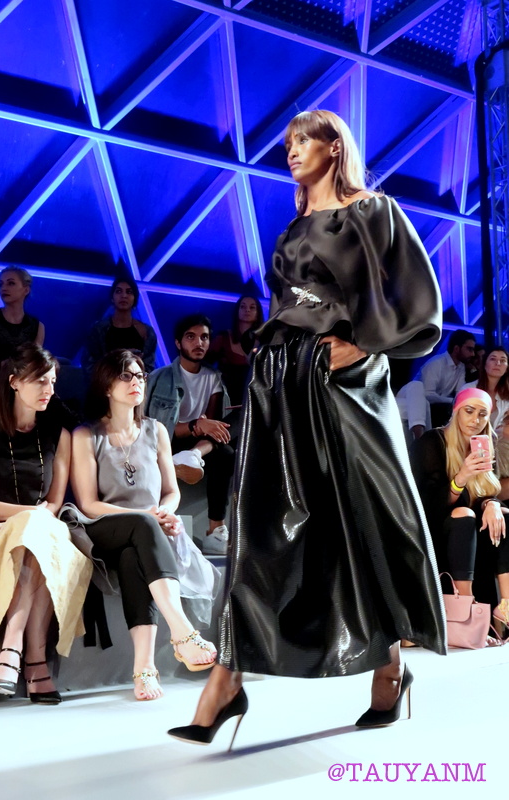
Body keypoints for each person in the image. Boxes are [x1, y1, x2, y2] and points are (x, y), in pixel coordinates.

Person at [167, 109, 446, 748]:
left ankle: (389, 668)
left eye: (303, 140)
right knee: (263, 527)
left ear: (334, 146)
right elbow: (287, 307)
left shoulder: (374, 212)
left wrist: (366, 348)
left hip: (347, 383)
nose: (291, 150)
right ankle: (226, 680)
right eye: (288, 142)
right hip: (281, 383)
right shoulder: (291, 229)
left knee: (365, 519)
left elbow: (418, 302)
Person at [69, 349, 217, 701]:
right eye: (126, 375)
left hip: (147, 532)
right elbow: (88, 503)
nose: (136, 382)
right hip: (101, 527)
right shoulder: (86, 435)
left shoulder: (156, 430)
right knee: (140, 526)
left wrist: (164, 513)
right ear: (107, 386)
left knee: (133, 557)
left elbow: (171, 492)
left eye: (140, 375)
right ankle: (182, 632)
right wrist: (148, 517)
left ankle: (144, 669)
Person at [0, 344, 92, 703]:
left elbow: (53, 504)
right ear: (14, 382)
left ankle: (12, 650)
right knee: (34, 532)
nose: (49, 389)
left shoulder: (59, 434)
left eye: (53, 381)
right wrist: (25, 516)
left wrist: (30, 520)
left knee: (37, 537)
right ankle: (35, 661)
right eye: (40, 381)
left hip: (41, 532)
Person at [410, 388, 509, 636]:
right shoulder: (433, 441)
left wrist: (492, 504)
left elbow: (485, 493)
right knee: (464, 515)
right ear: (456, 412)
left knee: (504, 516)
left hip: (472, 530)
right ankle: (467, 609)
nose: (475, 420)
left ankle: (506, 606)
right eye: (469, 411)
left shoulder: (484, 445)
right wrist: (461, 477)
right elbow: (427, 503)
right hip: (435, 529)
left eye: (482, 414)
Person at [145, 314, 235, 556]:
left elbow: (215, 427)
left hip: (200, 445)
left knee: (227, 450)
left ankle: (215, 531)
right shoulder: (160, 377)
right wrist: (196, 425)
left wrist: (202, 431)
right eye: (191, 337)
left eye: (204, 337)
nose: (199, 343)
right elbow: (155, 426)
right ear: (178, 343)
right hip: (167, 442)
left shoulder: (213, 377)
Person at [0, 266, 44, 409]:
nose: (4, 288)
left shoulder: (37, 326)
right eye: (1, 284)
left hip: (20, 385)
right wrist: (3, 365)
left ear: (26, 290)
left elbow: (34, 363)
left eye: (11, 283)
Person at [82, 276, 157, 379]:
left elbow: (149, 370)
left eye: (129, 292)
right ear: (112, 297)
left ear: (135, 298)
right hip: (105, 384)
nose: (124, 296)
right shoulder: (98, 330)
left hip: (135, 383)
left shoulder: (147, 332)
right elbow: (89, 366)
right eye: (118, 291)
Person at [207, 295, 264, 406]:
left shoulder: (265, 341)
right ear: (237, 310)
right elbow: (205, 366)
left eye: (252, 307)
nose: (247, 310)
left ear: (258, 313)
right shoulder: (223, 338)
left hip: (255, 402)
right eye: (243, 307)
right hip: (226, 401)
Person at [414, 329, 476, 427]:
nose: (473, 354)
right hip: (418, 408)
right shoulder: (436, 363)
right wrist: (452, 401)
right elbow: (427, 395)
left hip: (440, 409)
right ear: (456, 348)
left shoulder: (461, 366)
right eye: (469, 349)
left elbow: (460, 393)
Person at [462, 347, 509, 429]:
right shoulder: (468, 390)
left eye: (502, 360)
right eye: (493, 359)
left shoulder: (507, 393)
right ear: (484, 364)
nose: (498, 363)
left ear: (507, 368)